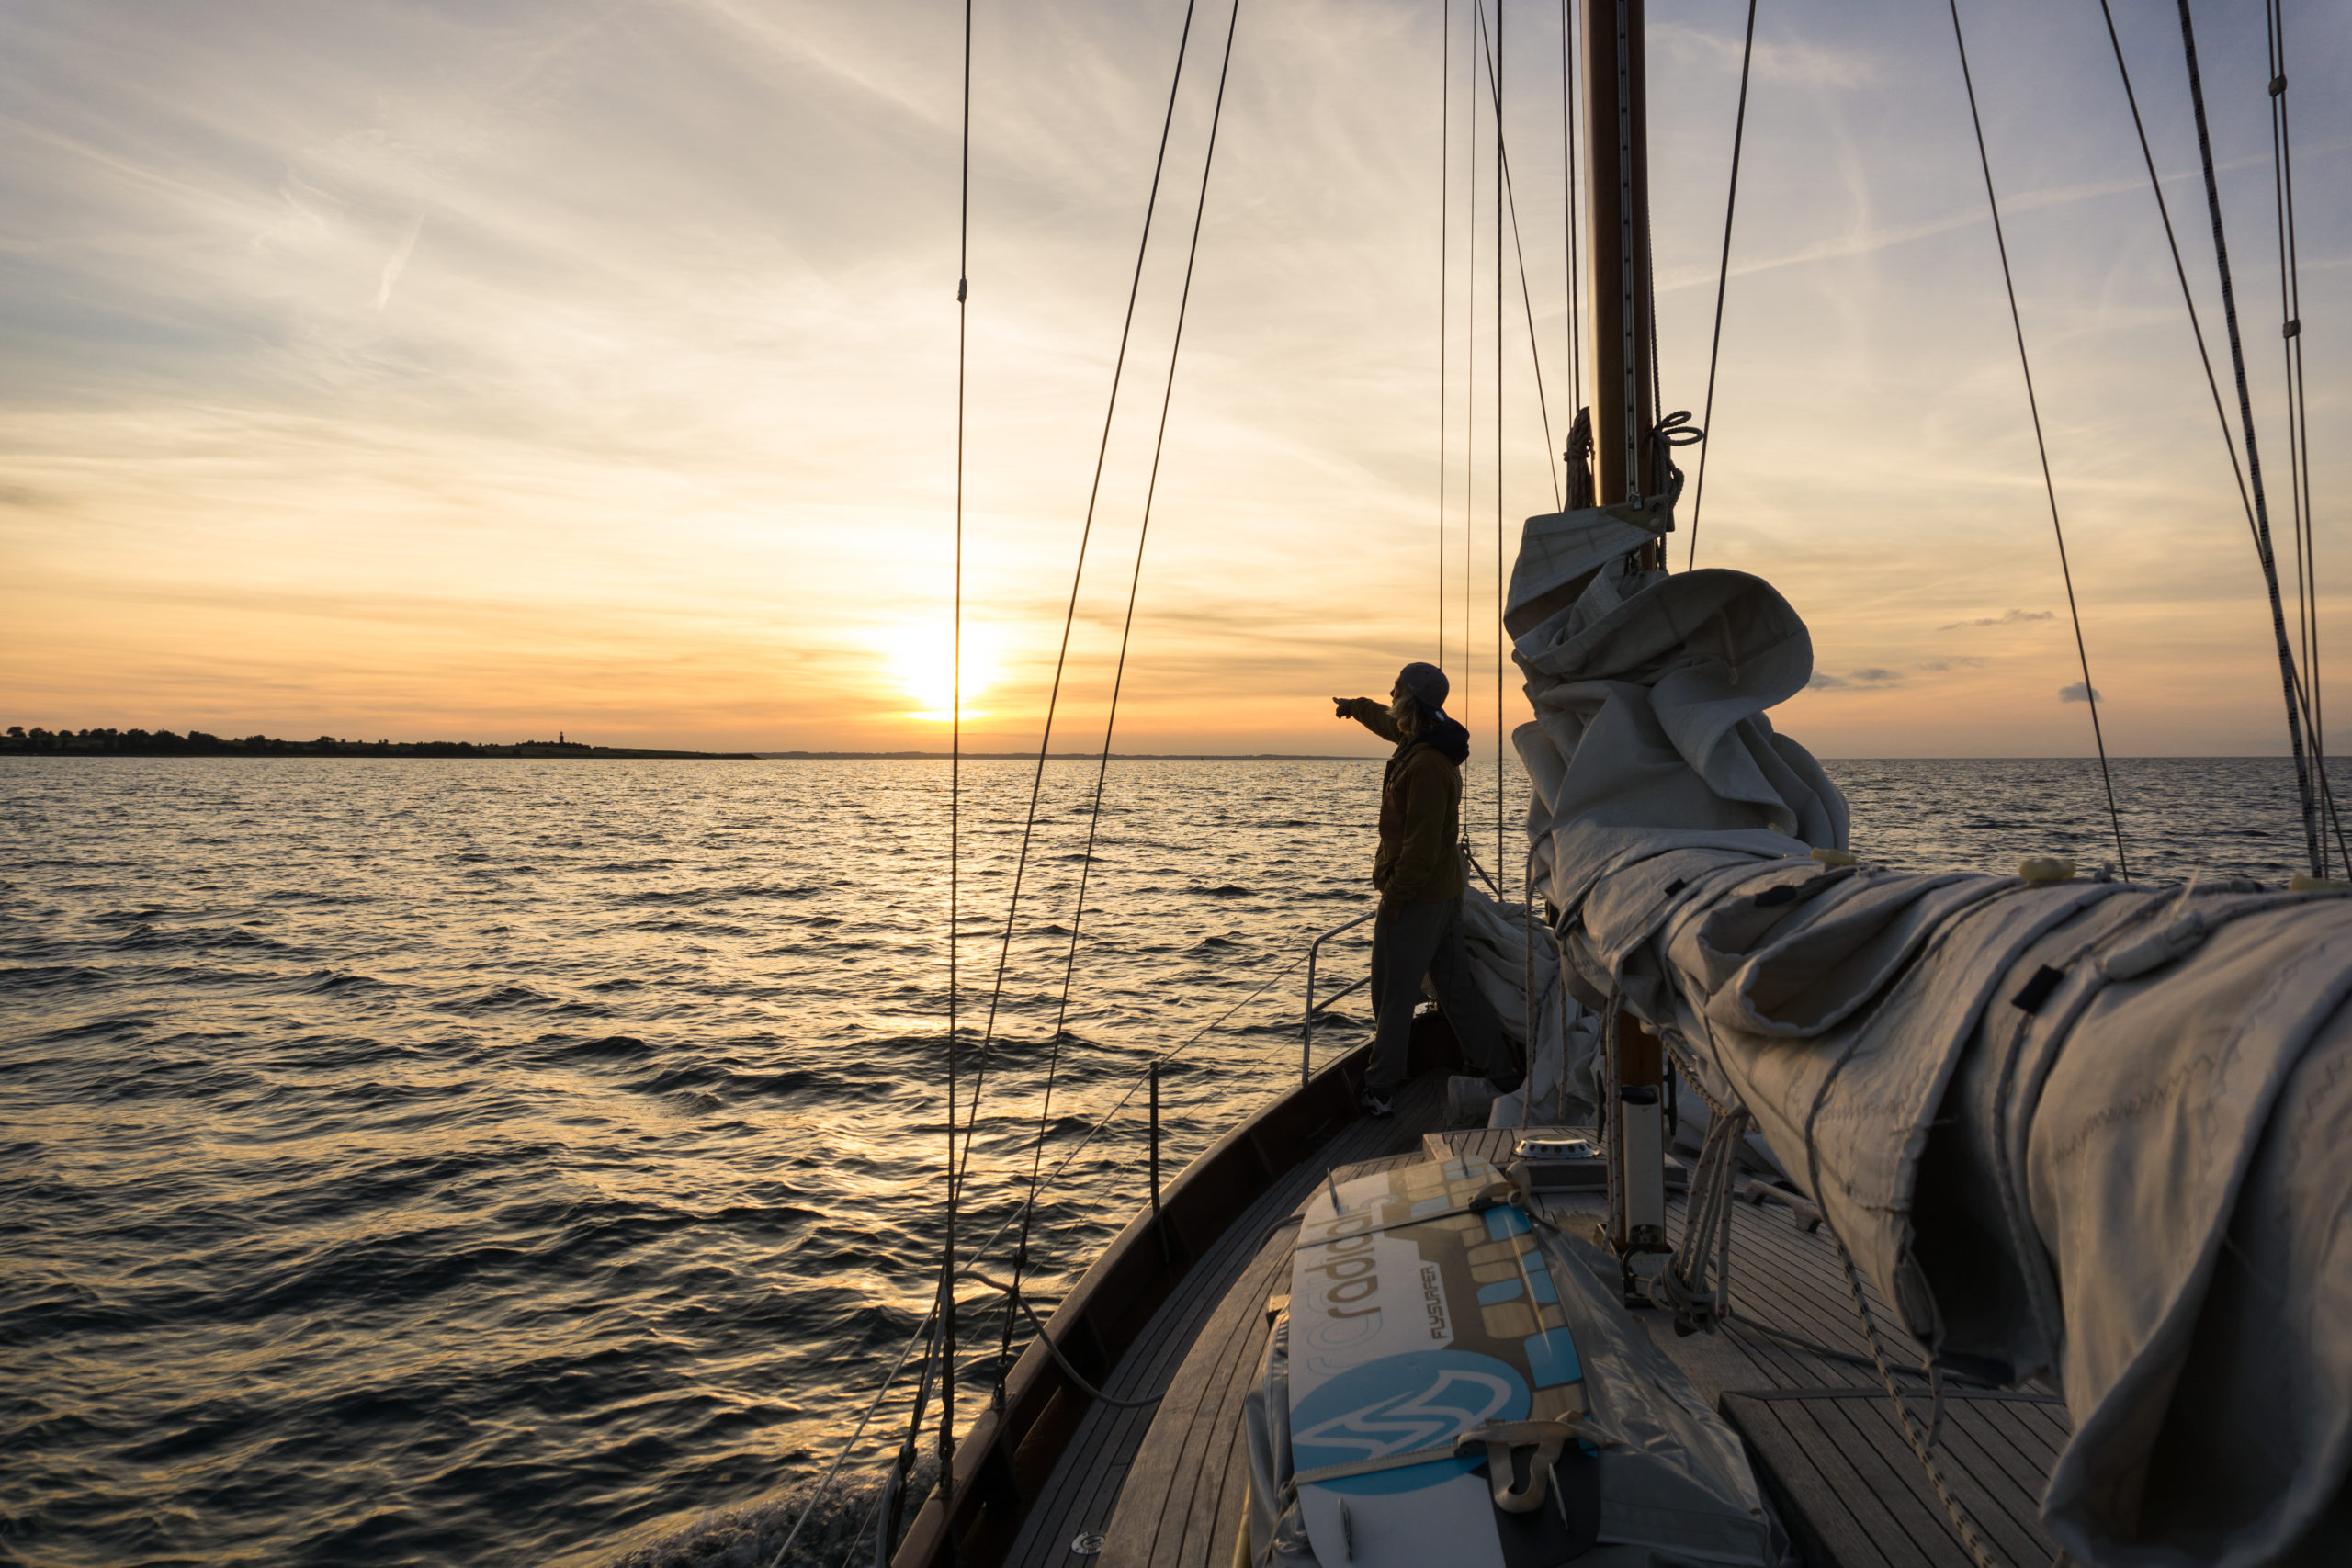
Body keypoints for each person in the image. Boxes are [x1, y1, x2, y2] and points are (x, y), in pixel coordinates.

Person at [1332, 662, 1521, 1117]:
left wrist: (1395, 900)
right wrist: (1354, 707)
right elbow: (1386, 720)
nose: (1390, 693)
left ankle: (1379, 1088)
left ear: (1410, 699)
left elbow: (1420, 848)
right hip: (1441, 894)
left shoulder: (1429, 765)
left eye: (1395, 688)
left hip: (1419, 899)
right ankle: (1502, 1075)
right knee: (1456, 987)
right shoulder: (1420, 737)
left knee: (1392, 994)